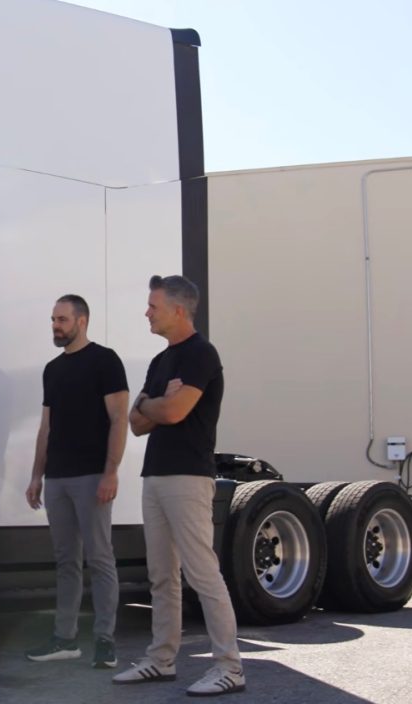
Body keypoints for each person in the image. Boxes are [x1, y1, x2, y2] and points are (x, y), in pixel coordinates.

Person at [112, 275, 245, 696]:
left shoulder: (202, 355)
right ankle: (160, 660)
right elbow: (135, 423)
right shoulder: (160, 362)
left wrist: (156, 406)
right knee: (161, 576)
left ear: (179, 310)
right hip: (154, 477)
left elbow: (172, 412)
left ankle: (230, 667)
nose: (146, 312)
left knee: (202, 573)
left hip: (188, 477)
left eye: (153, 306)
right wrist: (157, 403)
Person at [23, 294, 130, 669]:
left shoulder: (105, 361)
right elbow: (45, 428)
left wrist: (111, 471)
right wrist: (37, 475)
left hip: (92, 477)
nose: (55, 326)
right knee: (66, 560)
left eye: (62, 319)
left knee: (100, 558)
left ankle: (104, 640)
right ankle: (64, 639)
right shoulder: (52, 369)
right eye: (53, 319)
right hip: (58, 479)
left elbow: (119, 419)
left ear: (81, 321)